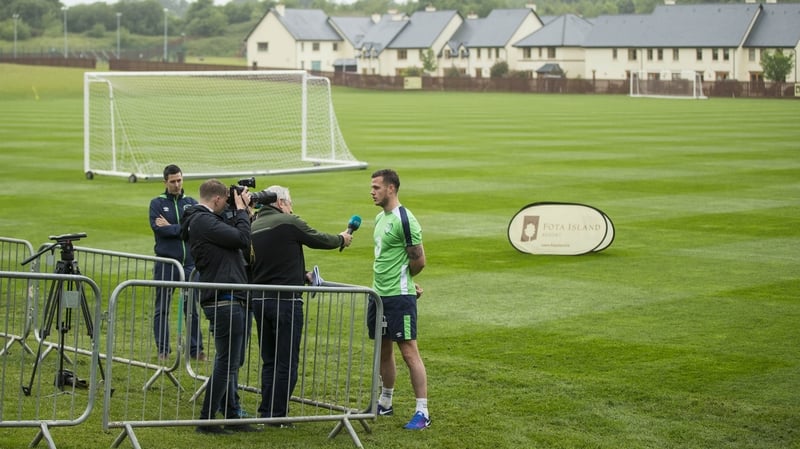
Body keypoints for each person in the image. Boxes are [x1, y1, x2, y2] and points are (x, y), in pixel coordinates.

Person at [248, 185, 353, 422]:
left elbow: (270, 261)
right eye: (290, 203)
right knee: (286, 360)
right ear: (281, 203)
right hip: (286, 301)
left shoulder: (252, 226)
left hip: (260, 299)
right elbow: (317, 238)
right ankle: (278, 414)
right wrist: (341, 239)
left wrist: (300, 272)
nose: (292, 207)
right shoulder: (289, 222)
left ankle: (266, 410)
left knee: (270, 359)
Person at [180, 179, 257, 434]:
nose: (226, 206)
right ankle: (207, 419)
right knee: (226, 362)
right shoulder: (202, 221)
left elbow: (233, 236)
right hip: (224, 298)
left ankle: (232, 413)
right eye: (224, 201)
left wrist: (238, 210)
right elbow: (242, 238)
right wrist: (241, 211)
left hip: (227, 296)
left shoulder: (203, 220)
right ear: (216, 200)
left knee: (231, 361)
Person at [368, 169, 430, 430]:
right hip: (378, 295)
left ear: (391, 189)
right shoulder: (379, 218)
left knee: (408, 351)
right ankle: (386, 401)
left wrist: (405, 282)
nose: (372, 192)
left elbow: (419, 260)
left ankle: (422, 411)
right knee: (383, 349)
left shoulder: (406, 220)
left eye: (376, 187)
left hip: (399, 297)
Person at [149, 164, 205, 362]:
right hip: (166, 263)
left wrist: (174, 227)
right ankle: (163, 350)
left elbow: (196, 229)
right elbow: (159, 229)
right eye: (172, 181)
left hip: (189, 264)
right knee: (162, 308)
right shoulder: (156, 203)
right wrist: (182, 228)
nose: (177, 184)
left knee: (192, 308)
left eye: (179, 180)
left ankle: (196, 350)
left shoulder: (191, 203)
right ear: (165, 182)